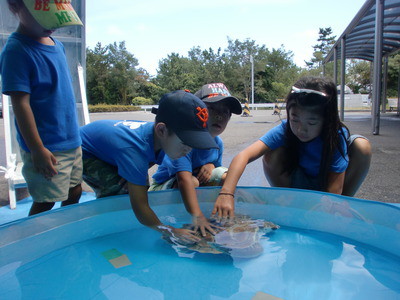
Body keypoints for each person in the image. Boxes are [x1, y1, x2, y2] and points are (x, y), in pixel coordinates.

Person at [213, 76, 372, 218]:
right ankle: (287, 202)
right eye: (294, 120)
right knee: (271, 152)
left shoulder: (335, 136)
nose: (301, 129)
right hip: (298, 185)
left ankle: (341, 206)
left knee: (362, 145)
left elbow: (333, 191)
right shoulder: (285, 129)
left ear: (327, 120)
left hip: (329, 187)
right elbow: (243, 156)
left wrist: (326, 210)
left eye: (311, 122)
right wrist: (227, 193)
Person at [80, 90, 219, 243]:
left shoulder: (159, 138)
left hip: (110, 150)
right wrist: (168, 230)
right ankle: (105, 233)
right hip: (84, 151)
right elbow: (141, 206)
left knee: (135, 186)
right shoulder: (135, 150)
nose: (189, 150)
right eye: (185, 143)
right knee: (119, 192)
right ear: (161, 130)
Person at [0, 0, 84, 215]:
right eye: (42, 16)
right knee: (46, 200)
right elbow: (20, 104)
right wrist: (37, 149)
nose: (50, 23)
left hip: (71, 141)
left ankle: (65, 231)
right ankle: (35, 240)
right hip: (47, 146)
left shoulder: (58, 44)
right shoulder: (17, 50)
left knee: (75, 191)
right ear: (15, 7)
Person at [149, 83, 242, 236]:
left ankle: (219, 213)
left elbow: (217, 172)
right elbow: (183, 179)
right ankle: (186, 218)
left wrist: (211, 164)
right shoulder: (183, 140)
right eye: (211, 108)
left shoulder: (217, 143)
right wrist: (197, 217)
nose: (219, 115)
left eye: (225, 112)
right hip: (163, 190)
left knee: (226, 175)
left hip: (194, 187)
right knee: (192, 182)